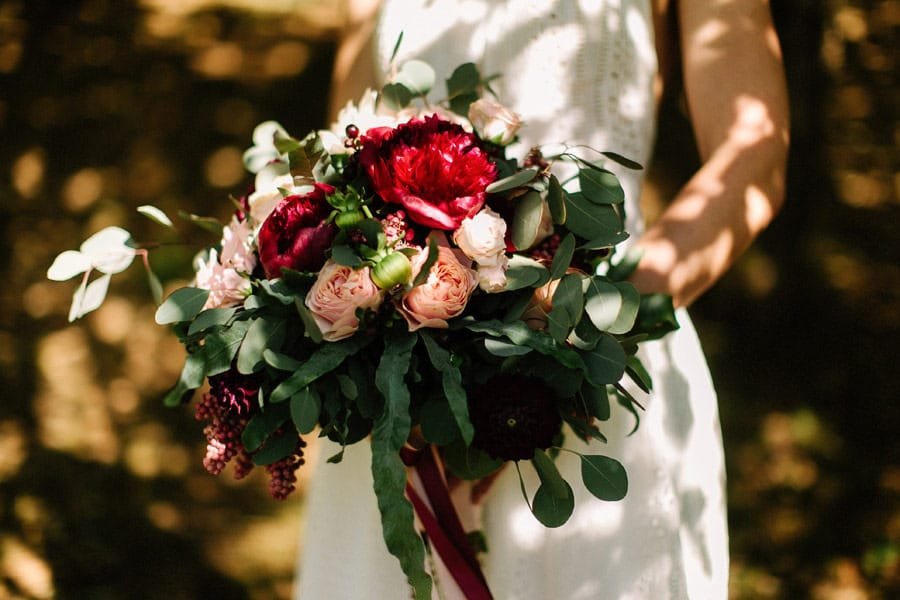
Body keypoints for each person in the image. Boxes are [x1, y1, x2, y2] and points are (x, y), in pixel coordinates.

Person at [294, 0, 789, 598]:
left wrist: (581, 327)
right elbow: (345, 155)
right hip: (403, 404)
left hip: (598, 370)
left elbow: (753, 150)